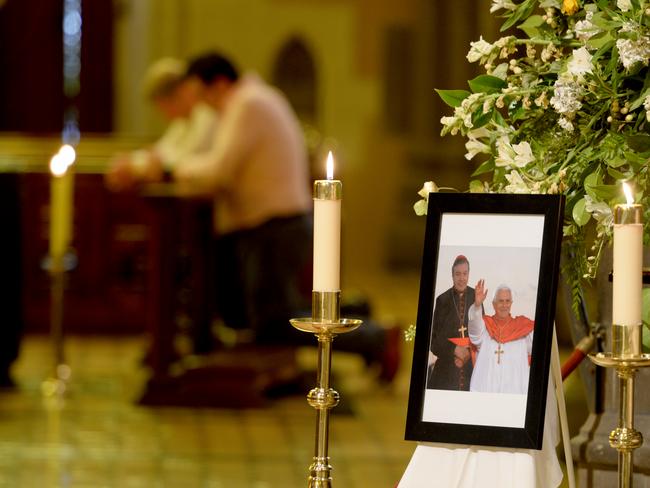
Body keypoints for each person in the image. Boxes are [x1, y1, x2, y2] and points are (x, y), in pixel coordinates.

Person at [174, 52, 400, 381]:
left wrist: (174, 169)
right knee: (271, 316)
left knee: (274, 322)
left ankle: (375, 337)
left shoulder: (247, 104)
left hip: (275, 226)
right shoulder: (252, 99)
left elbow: (220, 170)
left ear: (219, 83)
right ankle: (362, 319)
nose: (204, 106)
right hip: (274, 224)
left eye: (202, 94)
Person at [105, 57, 217, 191]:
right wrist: (130, 160)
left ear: (180, 93)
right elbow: (163, 150)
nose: (165, 115)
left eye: (163, 106)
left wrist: (136, 165)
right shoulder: (182, 122)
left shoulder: (207, 114)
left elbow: (184, 158)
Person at [468, 281, 534, 394]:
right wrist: (477, 305)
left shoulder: (523, 329)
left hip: (514, 393)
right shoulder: (485, 327)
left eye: (507, 301)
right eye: (500, 301)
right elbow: (474, 333)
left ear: (511, 303)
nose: (504, 305)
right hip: (487, 392)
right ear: (493, 304)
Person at [427, 255, 477, 390]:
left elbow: (481, 335)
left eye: (465, 274)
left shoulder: (475, 297)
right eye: (458, 274)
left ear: (469, 274)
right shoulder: (442, 300)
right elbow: (433, 341)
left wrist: (468, 352)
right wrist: (454, 349)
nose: (462, 278)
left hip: (470, 372)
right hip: (446, 372)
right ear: (452, 276)